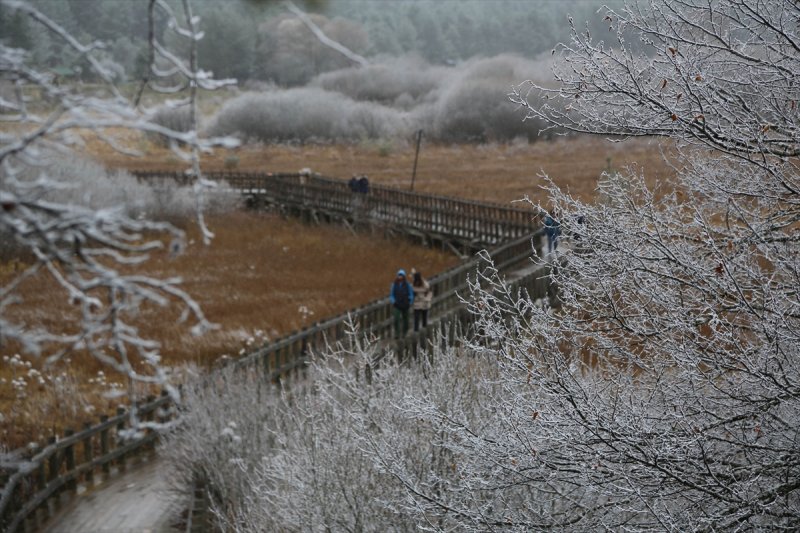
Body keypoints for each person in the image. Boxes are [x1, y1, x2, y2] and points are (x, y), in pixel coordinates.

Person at [390, 269, 414, 339]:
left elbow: (411, 294)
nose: (400, 277)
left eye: (401, 275)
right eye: (399, 275)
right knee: (396, 319)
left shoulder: (407, 285)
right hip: (397, 304)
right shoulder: (394, 285)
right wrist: (393, 301)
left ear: (404, 276)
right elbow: (392, 294)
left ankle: (405, 333)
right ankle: (397, 333)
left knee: (405, 319)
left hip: (405, 304)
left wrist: (410, 302)